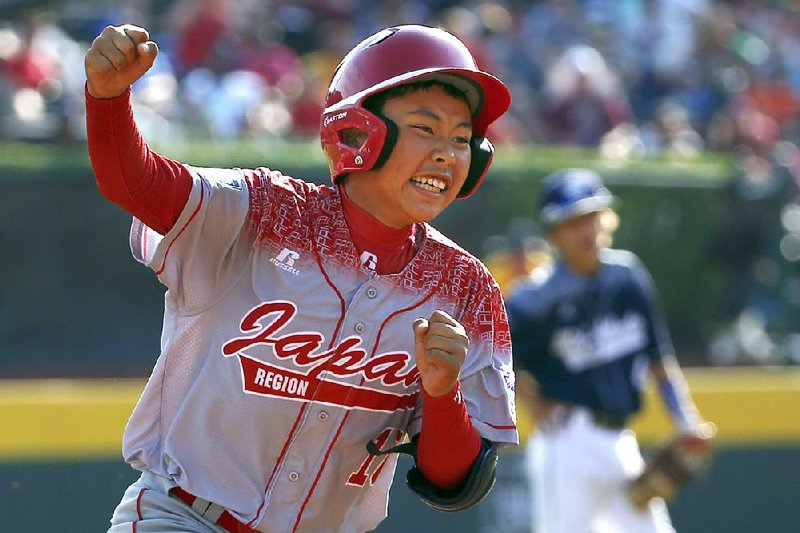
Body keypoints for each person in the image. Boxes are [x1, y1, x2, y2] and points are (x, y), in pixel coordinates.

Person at [84, 23, 517, 533]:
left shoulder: (464, 288)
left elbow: (457, 480)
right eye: (425, 128)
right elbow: (136, 183)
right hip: (184, 517)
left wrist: (444, 394)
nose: (447, 152)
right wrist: (108, 99)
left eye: (462, 139)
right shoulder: (262, 211)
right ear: (357, 131)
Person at [505, 168, 709, 533]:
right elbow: (492, 358)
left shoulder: (627, 277)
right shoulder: (533, 301)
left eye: (592, 217)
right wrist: (531, 400)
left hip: (620, 442)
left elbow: (659, 358)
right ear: (554, 233)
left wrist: (685, 420)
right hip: (567, 442)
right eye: (573, 221)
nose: (587, 229)